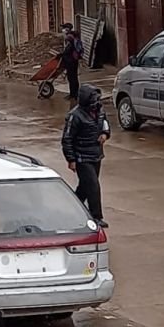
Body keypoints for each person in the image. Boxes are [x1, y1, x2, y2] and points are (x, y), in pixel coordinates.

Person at [62, 84, 111, 228]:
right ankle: (96, 216)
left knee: (85, 187)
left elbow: (106, 126)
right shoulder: (74, 116)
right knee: (93, 186)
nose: (95, 103)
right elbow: (67, 139)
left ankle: (72, 208)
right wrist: (71, 159)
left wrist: (105, 134)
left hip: (96, 155)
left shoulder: (100, 111)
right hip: (82, 157)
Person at [61, 22, 84, 100]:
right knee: (74, 77)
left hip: (70, 61)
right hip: (74, 60)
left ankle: (73, 94)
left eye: (64, 28)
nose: (62, 30)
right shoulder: (74, 36)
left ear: (67, 29)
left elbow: (68, 49)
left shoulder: (69, 38)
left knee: (71, 78)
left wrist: (62, 54)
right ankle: (75, 94)